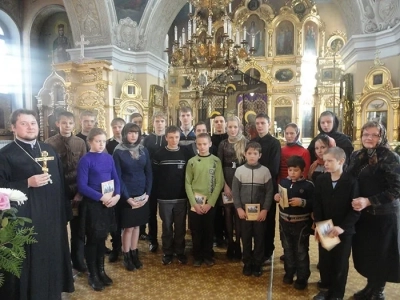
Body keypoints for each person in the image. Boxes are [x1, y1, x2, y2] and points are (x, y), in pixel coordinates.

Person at [0, 109, 74, 299]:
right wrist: (26, 183)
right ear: (13, 127)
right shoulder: (6, 154)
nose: (30, 127)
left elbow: (61, 186)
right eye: (24, 123)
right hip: (25, 221)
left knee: (51, 257)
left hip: (51, 220)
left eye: (33, 123)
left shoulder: (48, 150)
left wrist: (64, 213)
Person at [347, 121, 400, 300]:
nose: (368, 138)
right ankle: (370, 286)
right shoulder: (357, 155)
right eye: (365, 134)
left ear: (382, 136)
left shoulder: (391, 157)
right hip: (363, 215)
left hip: (383, 216)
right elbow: (349, 178)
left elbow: (396, 189)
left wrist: (369, 201)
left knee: (381, 254)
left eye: (374, 135)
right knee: (367, 252)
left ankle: (378, 292)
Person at [313, 147, 360, 300]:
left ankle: (337, 294)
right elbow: (317, 204)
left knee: (340, 263)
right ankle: (325, 289)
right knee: (325, 261)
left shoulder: (351, 182)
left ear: (341, 161)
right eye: (324, 160)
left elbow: (355, 210)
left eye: (330, 161)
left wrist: (342, 227)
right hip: (325, 227)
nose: (325, 164)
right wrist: (318, 225)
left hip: (343, 230)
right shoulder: (321, 180)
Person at [77, 128, 120, 291]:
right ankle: (92, 274)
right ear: (90, 142)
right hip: (94, 204)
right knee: (93, 240)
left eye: (103, 141)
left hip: (108, 203)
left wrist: (117, 195)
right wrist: (102, 197)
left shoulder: (109, 158)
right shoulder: (85, 160)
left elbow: (116, 178)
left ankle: (101, 270)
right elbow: (82, 186)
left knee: (103, 239)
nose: (101, 144)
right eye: (97, 141)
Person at [44, 110, 87, 273]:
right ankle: (62, 262)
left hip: (77, 190)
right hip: (59, 193)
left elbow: (84, 169)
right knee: (60, 229)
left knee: (78, 229)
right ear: (57, 124)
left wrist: (80, 193)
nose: (67, 126)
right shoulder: (49, 143)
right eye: (64, 123)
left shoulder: (80, 143)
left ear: (74, 124)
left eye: (70, 123)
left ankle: (77, 260)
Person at [113, 123, 152, 271]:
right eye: (130, 133)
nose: (133, 135)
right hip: (126, 195)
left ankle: (135, 253)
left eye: (136, 132)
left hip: (142, 193)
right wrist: (127, 198)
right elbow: (118, 177)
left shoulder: (143, 150)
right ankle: (126, 255)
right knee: (128, 228)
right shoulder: (118, 151)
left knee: (137, 226)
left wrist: (147, 194)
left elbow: (149, 172)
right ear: (124, 134)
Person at [232, 142, 273, 277]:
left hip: (259, 213)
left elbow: (269, 192)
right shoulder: (239, 171)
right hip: (244, 212)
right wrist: (238, 208)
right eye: (249, 153)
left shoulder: (265, 171)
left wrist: (265, 209)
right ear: (245, 154)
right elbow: (235, 192)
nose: (252, 156)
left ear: (260, 155)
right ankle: (247, 262)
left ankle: (257, 263)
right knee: (246, 237)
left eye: (255, 153)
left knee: (260, 238)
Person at [274, 156, 314, 289]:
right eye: (290, 170)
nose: (292, 173)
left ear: (302, 171)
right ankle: (289, 272)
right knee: (288, 249)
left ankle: (302, 277)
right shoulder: (284, 183)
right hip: (284, 222)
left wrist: (302, 202)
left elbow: (314, 204)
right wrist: (277, 197)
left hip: (301, 224)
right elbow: (279, 196)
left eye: (295, 170)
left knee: (301, 251)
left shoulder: (308, 185)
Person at [185, 133, 224, 267]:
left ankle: (207, 255)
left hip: (210, 203)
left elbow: (219, 183)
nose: (202, 147)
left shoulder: (216, 161)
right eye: (199, 144)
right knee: (196, 230)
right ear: (196, 145)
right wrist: (194, 203)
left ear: (210, 144)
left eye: (204, 144)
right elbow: (188, 183)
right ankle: (197, 255)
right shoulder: (192, 162)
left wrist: (210, 203)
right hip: (195, 203)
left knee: (209, 230)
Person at [153, 125, 188, 265]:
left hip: (181, 197)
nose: (174, 140)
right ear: (166, 137)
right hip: (164, 198)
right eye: (171, 137)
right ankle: (167, 252)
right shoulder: (159, 154)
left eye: (177, 137)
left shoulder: (186, 153)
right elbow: (155, 176)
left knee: (180, 227)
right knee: (167, 226)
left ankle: (180, 252)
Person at [251, 112, 281, 263]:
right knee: (255, 219)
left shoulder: (275, 143)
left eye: (263, 123)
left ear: (269, 124)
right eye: (258, 123)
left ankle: (268, 251)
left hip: (268, 186)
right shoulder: (253, 141)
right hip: (253, 187)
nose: (260, 126)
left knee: (268, 220)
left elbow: (274, 168)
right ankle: (258, 249)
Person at [218, 116, 248, 259]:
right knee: (228, 212)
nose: (232, 129)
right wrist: (225, 185)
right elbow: (219, 165)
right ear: (226, 128)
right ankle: (230, 243)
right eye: (230, 127)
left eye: (235, 127)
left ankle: (239, 243)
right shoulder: (223, 144)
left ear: (239, 127)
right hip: (227, 180)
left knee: (239, 213)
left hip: (240, 180)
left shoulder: (245, 142)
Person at [143, 111, 168, 252]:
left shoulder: (168, 138)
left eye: (162, 121)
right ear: (153, 123)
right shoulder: (147, 139)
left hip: (165, 180)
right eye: (157, 121)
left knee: (166, 213)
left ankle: (167, 238)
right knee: (151, 212)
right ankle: (153, 239)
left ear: (166, 123)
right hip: (151, 180)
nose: (159, 124)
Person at [106, 117, 126, 262]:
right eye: (115, 127)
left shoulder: (129, 143)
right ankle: (116, 247)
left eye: (120, 126)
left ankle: (128, 247)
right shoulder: (108, 144)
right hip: (113, 184)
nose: (118, 129)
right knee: (115, 218)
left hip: (128, 184)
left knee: (128, 219)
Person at [210, 114, 228, 247]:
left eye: (221, 121)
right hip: (213, 179)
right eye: (217, 122)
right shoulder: (210, 140)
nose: (219, 124)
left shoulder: (229, 139)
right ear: (213, 124)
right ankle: (217, 235)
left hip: (227, 178)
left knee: (227, 209)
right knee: (216, 208)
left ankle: (227, 234)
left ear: (225, 123)